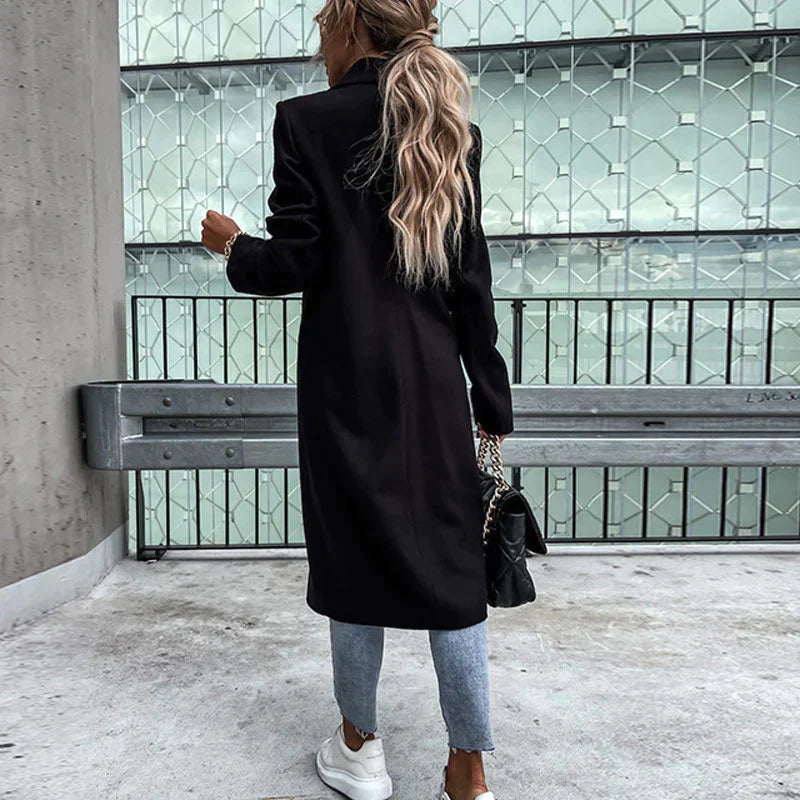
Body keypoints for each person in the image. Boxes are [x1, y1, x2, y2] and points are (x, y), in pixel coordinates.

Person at [201, 1, 513, 798]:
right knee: (453, 573)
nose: (319, 48)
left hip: (344, 383)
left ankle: (359, 749)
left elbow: (296, 262)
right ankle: (469, 771)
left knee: (351, 559)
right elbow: (471, 281)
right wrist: (490, 397)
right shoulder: (450, 130)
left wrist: (232, 245)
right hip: (435, 385)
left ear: (351, 28)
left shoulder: (306, 121)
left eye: (321, 30)